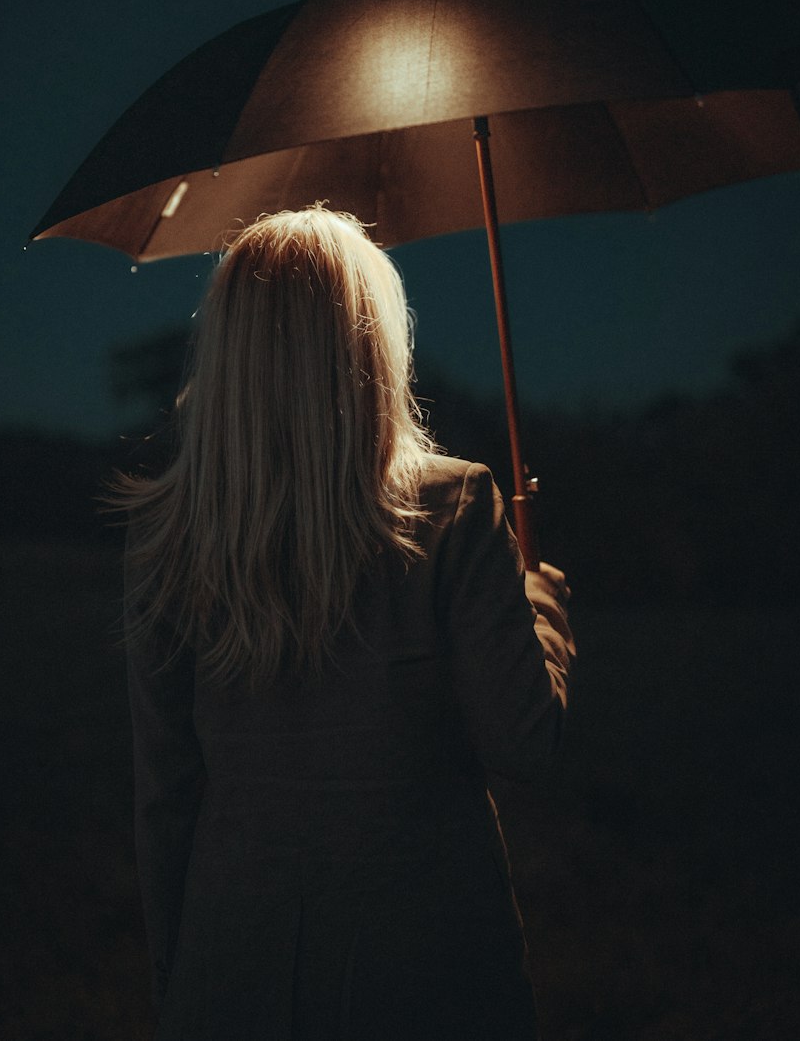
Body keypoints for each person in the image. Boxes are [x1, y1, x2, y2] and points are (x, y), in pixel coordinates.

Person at [118, 206, 575, 1040]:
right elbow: (527, 746)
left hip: (234, 972)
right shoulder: (456, 506)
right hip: (430, 974)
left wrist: (179, 979)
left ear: (230, 351)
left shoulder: (168, 537)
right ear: (371, 343)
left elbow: (165, 796)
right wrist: (540, 613)